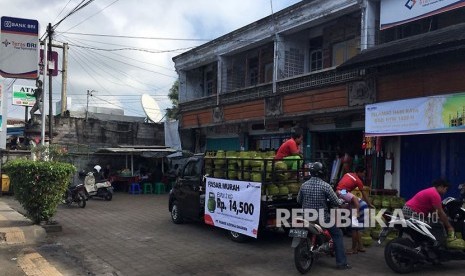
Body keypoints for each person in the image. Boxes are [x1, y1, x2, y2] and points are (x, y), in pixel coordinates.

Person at [297, 162, 351, 270]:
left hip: (306, 216)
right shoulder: (326, 186)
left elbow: (299, 200)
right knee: (338, 234)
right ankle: (342, 263)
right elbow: (336, 201)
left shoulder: (304, 185)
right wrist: (343, 202)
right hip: (321, 217)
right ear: (322, 173)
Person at [402, 179, 454, 246]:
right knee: (429, 228)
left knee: (433, 224)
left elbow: (434, 212)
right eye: (446, 189)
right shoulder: (435, 194)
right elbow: (440, 212)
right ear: (441, 186)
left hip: (410, 210)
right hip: (411, 211)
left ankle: (424, 244)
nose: (445, 192)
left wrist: (439, 220)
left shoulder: (431, 191)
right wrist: (449, 226)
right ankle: (431, 245)